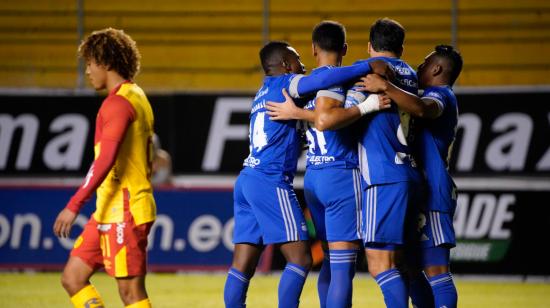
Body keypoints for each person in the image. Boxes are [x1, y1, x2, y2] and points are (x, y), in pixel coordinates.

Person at [267, 18, 427, 307]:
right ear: (345, 47)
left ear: (314, 49)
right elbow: (328, 119)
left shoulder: (301, 86)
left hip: (313, 175)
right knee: (345, 267)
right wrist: (367, 105)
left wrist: (296, 114)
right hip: (344, 176)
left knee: (331, 260)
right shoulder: (350, 78)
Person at [224, 41, 391, 308]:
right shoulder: (286, 82)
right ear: (286, 64)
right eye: (297, 59)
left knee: (242, 264)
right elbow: (324, 75)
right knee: (300, 259)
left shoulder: (262, 93)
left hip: (247, 179)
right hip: (270, 181)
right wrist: (366, 65)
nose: (303, 66)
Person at [53, 28, 156, 308]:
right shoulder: (136, 96)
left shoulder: (119, 103)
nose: (87, 71)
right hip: (107, 210)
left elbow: (105, 159)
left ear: (106, 62)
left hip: (126, 209)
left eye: (90, 63)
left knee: (131, 294)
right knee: (73, 277)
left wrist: (74, 205)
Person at [360, 44, 463, 308]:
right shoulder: (419, 93)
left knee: (436, 270)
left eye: (426, 63)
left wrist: (385, 87)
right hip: (417, 191)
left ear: (437, 68)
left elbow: (422, 109)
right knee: (409, 266)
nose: (419, 67)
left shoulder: (441, 95)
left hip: (435, 194)